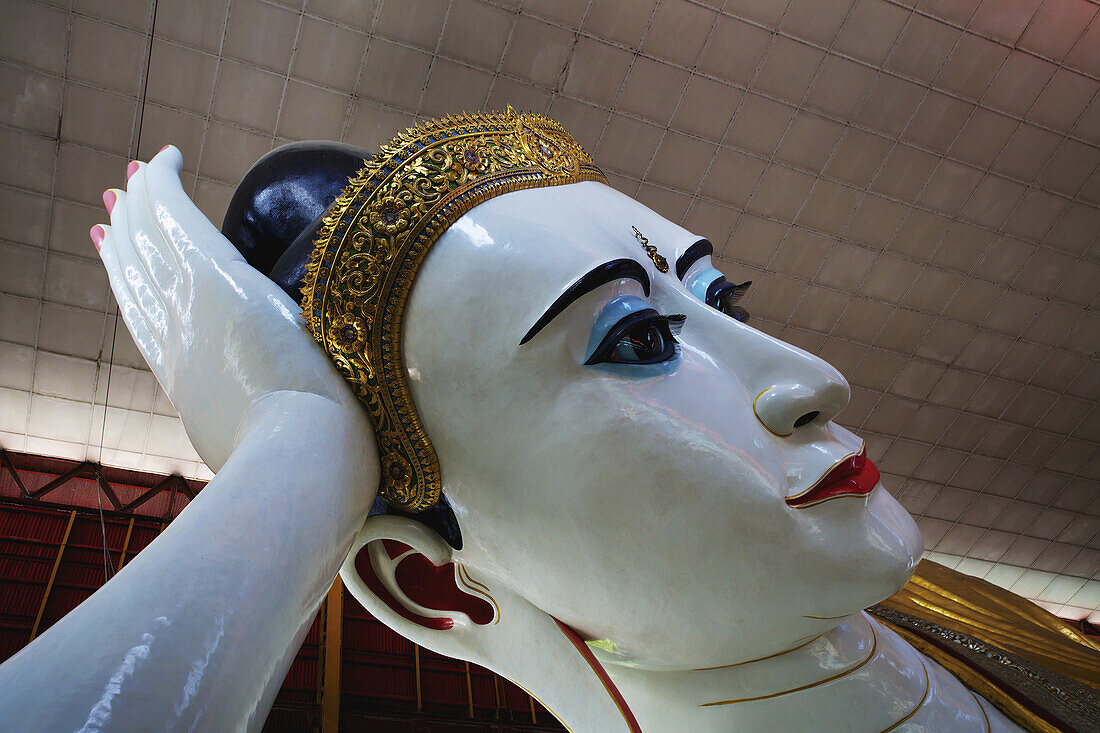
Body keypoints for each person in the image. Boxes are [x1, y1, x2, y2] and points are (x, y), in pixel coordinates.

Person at [0, 110, 1094, 731]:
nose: (811, 378)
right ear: (436, 586)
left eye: (722, 304)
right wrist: (296, 442)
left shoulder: (994, 649)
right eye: (632, 342)